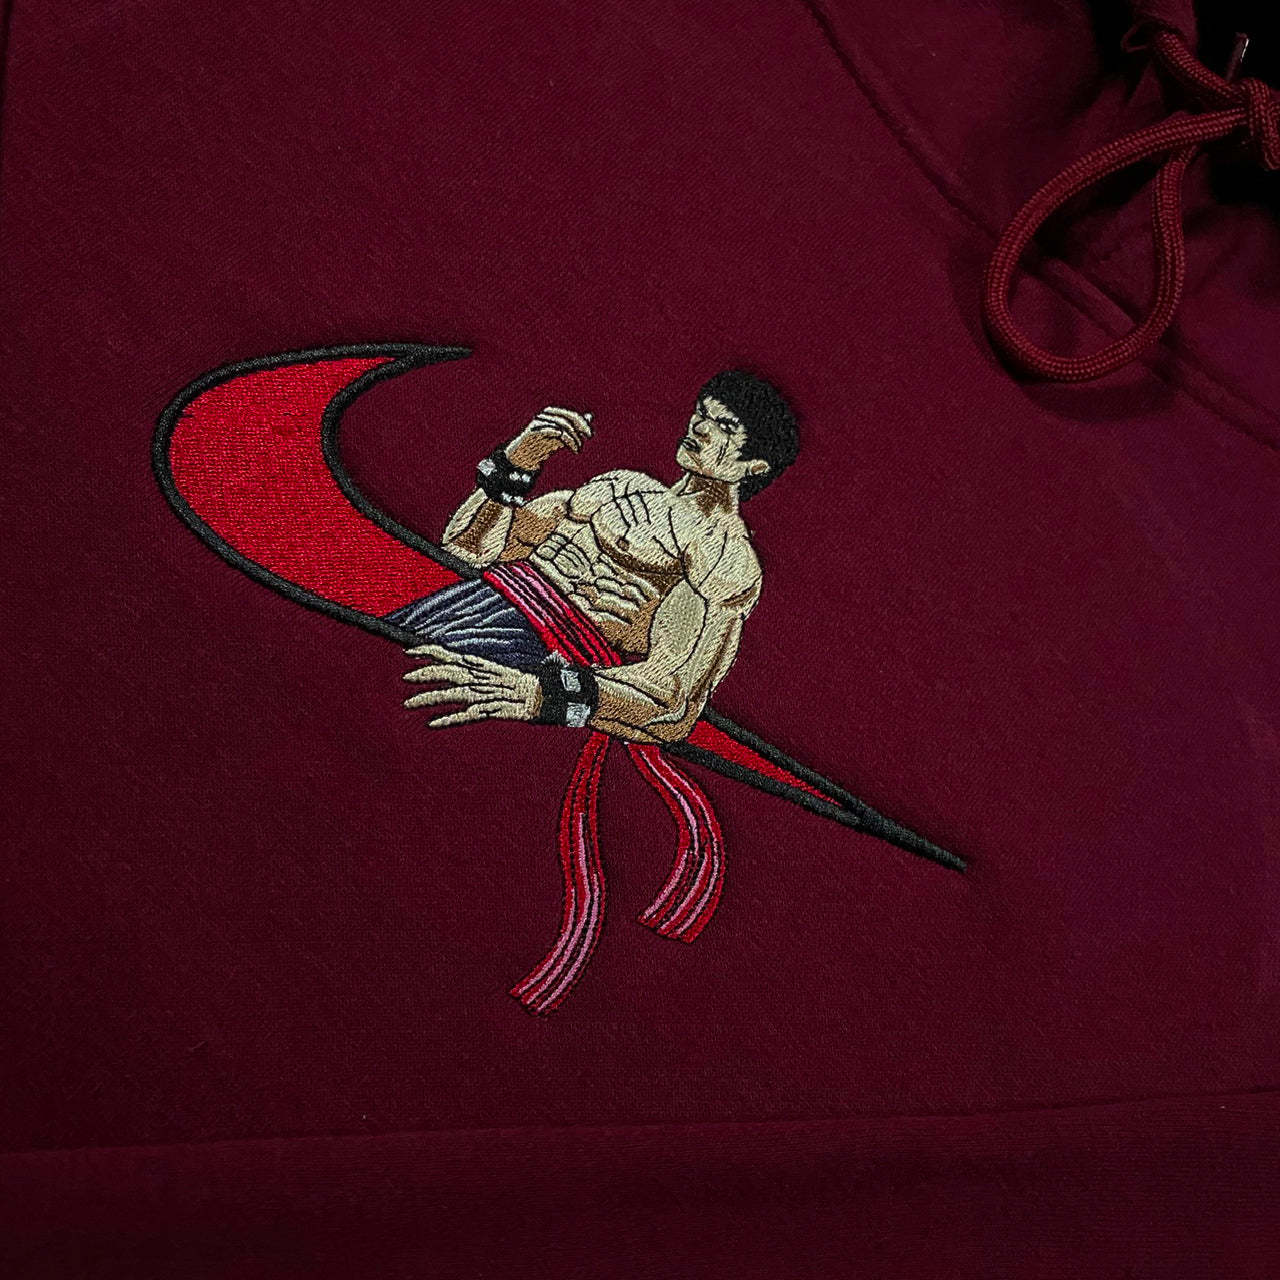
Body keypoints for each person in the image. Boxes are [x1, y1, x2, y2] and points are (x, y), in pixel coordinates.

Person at [389, 370, 799, 742]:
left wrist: (540, 695)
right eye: (702, 414)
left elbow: (674, 700)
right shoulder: (620, 485)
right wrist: (516, 464)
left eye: (724, 428)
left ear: (755, 466)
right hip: (462, 604)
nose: (700, 428)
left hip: (540, 656)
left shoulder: (726, 557)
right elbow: (466, 550)